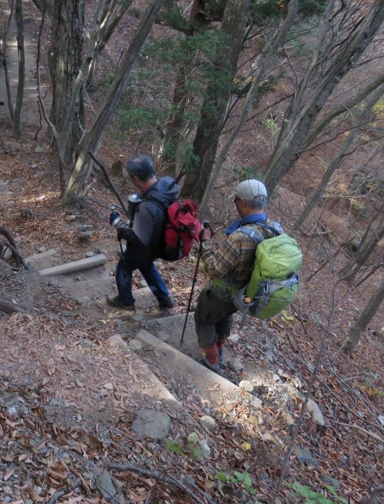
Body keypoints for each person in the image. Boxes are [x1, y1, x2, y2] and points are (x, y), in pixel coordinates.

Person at [195, 179, 277, 373]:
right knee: (226, 315)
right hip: (246, 294)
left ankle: (212, 361)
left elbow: (215, 269)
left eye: (235, 200)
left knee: (204, 319)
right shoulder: (274, 229)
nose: (234, 203)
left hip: (222, 292)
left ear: (243, 202)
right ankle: (219, 349)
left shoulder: (240, 237)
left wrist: (205, 242)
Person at [106, 155, 178, 312]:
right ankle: (164, 299)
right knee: (146, 266)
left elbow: (139, 238)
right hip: (160, 242)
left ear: (136, 178)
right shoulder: (165, 189)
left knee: (124, 266)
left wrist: (118, 224)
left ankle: (125, 301)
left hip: (148, 244)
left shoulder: (147, 206)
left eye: (132, 178)